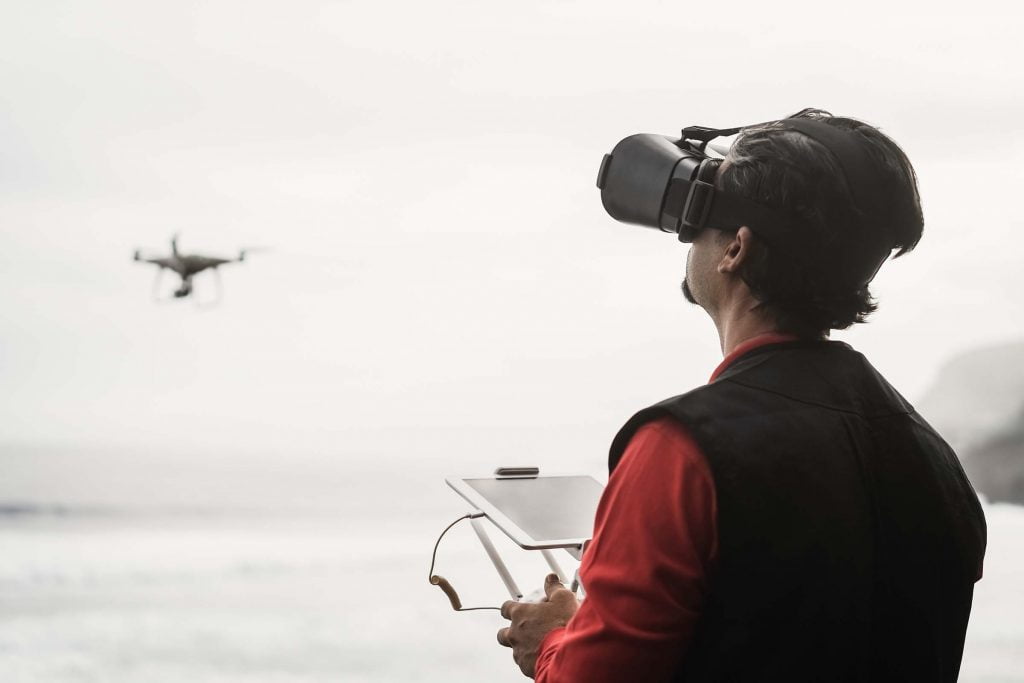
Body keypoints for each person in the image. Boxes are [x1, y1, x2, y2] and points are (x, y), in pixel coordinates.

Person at [496, 109, 987, 681]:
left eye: (697, 223)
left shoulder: (680, 450)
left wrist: (553, 639)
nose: (688, 238)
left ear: (736, 250)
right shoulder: (935, 460)